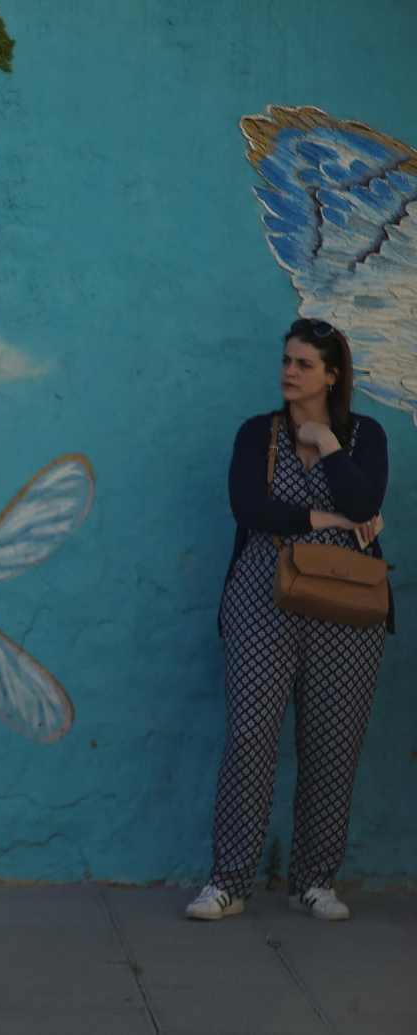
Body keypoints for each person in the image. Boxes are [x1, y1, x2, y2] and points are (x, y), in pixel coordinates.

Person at [187, 319, 389, 923]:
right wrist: (326, 521)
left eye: (304, 364)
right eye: (286, 360)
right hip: (260, 600)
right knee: (250, 735)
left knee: (333, 745)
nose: (289, 372)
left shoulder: (366, 437)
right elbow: (251, 509)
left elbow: (364, 503)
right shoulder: (258, 434)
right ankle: (228, 880)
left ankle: (316, 881)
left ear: (332, 375)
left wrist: (326, 441)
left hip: (346, 614)